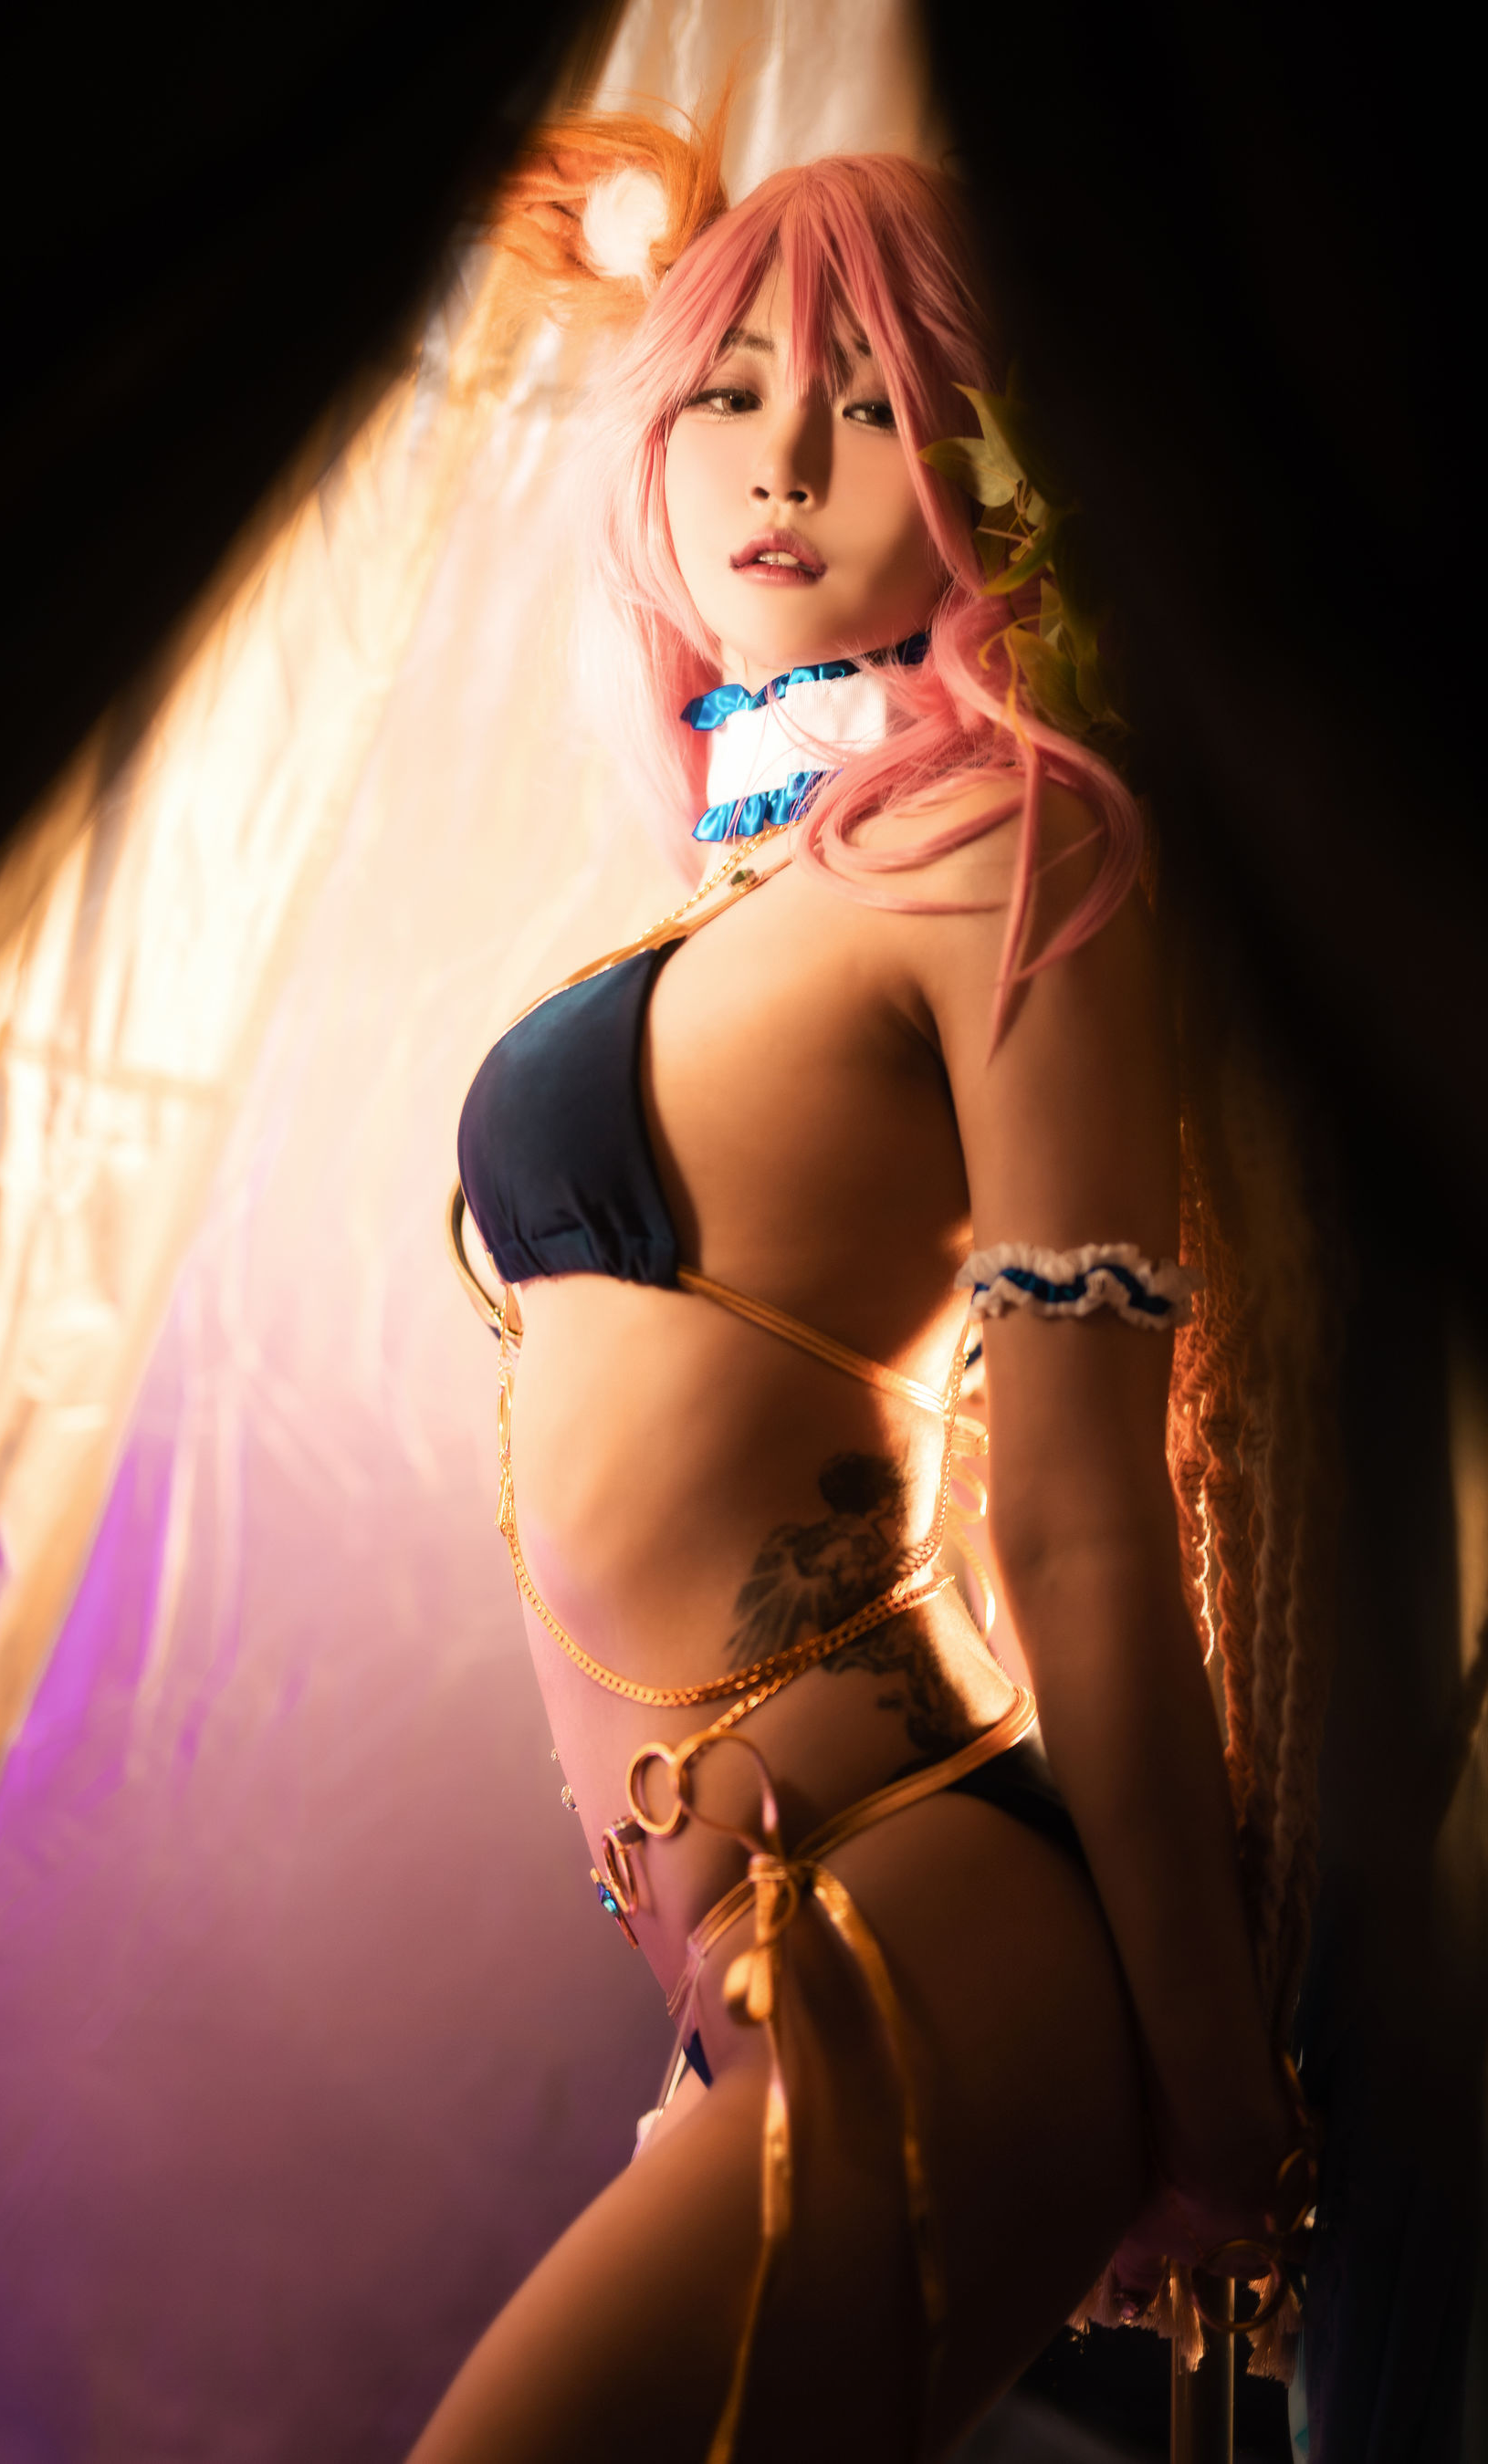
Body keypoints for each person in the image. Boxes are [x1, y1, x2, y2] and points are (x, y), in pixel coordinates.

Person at [418, 111, 1324, 2464]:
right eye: (727, 391)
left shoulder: (1023, 838)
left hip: (922, 1917)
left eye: (873, 398)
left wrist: (1221, 2107)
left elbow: (1087, 1515)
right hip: (754, 1972)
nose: (785, 461)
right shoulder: (756, 888)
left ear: (995, 474)